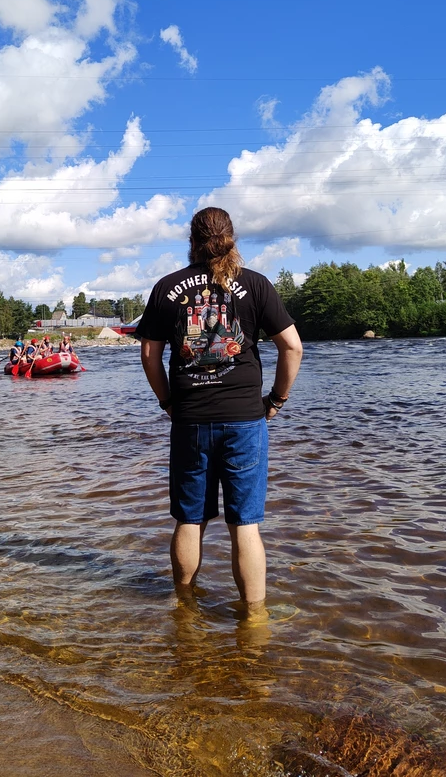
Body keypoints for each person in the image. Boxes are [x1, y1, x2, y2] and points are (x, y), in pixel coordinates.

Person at [137, 206, 303, 617]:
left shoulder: (167, 287)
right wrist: (276, 401)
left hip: (190, 418)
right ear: (231, 237)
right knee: (245, 524)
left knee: (190, 519)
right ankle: (255, 619)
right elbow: (293, 347)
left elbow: (148, 354)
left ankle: (185, 609)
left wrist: (168, 402)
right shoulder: (256, 285)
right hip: (246, 417)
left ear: (191, 242)